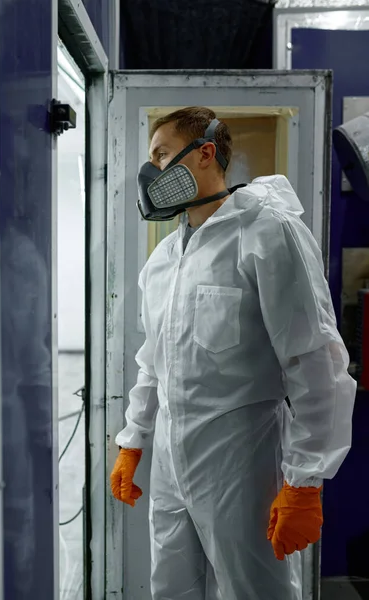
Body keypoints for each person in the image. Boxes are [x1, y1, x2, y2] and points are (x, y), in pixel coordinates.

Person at [110, 106, 356, 600]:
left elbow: (315, 359)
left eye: (160, 155)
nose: (150, 172)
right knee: (171, 588)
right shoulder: (164, 259)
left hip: (242, 463)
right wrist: (133, 440)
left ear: (204, 154)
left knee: (253, 591)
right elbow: (151, 363)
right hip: (170, 462)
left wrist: (305, 480)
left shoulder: (266, 233)